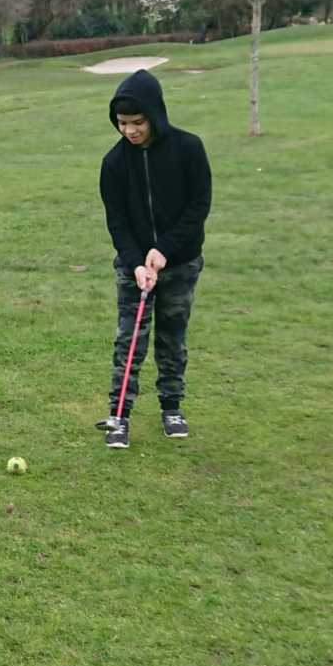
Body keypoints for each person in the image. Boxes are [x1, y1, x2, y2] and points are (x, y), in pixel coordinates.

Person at [95, 69, 211, 449]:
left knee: (172, 338)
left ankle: (171, 408)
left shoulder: (189, 149)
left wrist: (164, 250)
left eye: (137, 122)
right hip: (134, 268)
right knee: (130, 339)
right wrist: (136, 263)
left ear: (155, 115)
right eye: (122, 123)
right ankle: (119, 416)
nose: (129, 131)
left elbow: (198, 208)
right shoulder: (114, 163)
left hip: (181, 263)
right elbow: (117, 223)